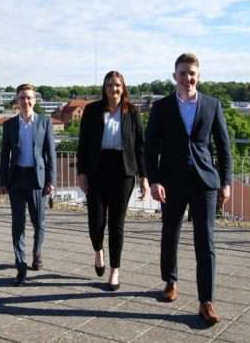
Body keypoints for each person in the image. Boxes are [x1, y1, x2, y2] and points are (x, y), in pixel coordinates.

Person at [145, 53, 232, 325]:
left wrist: (226, 182)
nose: (187, 78)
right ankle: (170, 281)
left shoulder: (213, 105)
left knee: (205, 241)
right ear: (175, 76)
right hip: (171, 182)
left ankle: (206, 301)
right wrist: (154, 180)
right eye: (182, 73)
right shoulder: (161, 107)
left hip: (204, 182)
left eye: (192, 73)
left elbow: (224, 147)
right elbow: (150, 148)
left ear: (199, 76)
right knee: (170, 233)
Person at [76, 71, 149, 291]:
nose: (113, 89)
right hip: (97, 169)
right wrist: (81, 172)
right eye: (109, 85)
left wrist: (144, 177)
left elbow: (140, 146)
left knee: (117, 224)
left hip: (123, 171)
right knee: (96, 220)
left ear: (123, 87)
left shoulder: (132, 111)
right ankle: (98, 250)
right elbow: (83, 143)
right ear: (104, 88)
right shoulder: (92, 110)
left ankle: (115, 270)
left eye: (117, 85)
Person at [0, 83, 56, 286]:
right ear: (17, 101)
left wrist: (51, 181)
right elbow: (4, 156)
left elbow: (51, 154)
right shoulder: (9, 125)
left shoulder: (44, 122)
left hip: (37, 179)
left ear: (34, 100)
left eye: (29, 97)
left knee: (38, 222)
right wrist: (2, 181)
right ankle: (20, 266)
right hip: (16, 179)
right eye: (22, 97)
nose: (26, 101)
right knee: (18, 224)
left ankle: (37, 253)